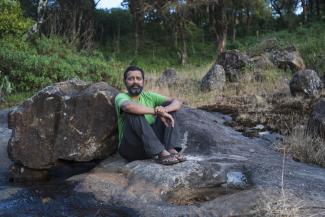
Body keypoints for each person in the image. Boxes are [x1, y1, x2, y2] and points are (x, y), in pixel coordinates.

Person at [114, 66, 186, 165]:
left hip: (149, 148)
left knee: (169, 108)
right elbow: (128, 107)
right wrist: (155, 111)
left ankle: (171, 150)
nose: (135, 82)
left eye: (138, 78)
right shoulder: (121, 97)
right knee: (133, 112)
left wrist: (164, 110)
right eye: (131, 79)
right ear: (125, 81)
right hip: (130, 149)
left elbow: (177, 101)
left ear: (143, 81)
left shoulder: (150, 96)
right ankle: (162, 153)